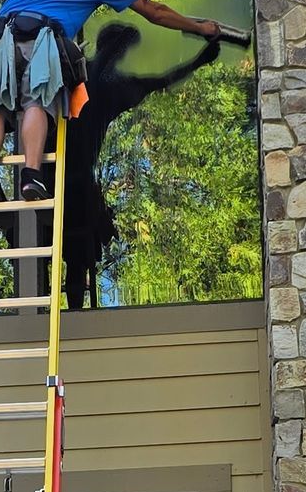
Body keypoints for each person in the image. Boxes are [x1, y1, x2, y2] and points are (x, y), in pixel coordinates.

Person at [0, 0, 223, 208]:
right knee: (37, 101)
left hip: (0, 37)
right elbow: (154, 11)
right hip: (43, 39)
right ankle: (31, 175)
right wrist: (199, 28)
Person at [62, 19, 222, 305]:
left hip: (58, 174)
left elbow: (158, 81)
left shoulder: (78, 70)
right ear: (121, 52)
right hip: (76, 180)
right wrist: (200, 61)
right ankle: (73, 312)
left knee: (74, 249)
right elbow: (162, 80)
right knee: (79, 251)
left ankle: (68, 309)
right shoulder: (113, 85)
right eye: (125, 50)